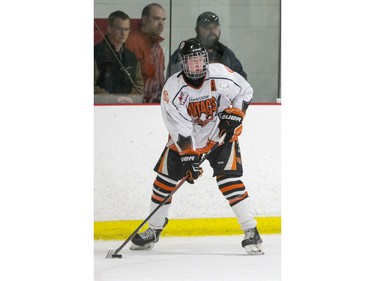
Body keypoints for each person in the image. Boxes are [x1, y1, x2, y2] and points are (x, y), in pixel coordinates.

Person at [129, 38, 263, 255]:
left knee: (229, 181)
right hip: (186, 140)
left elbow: (245, 91)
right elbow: (179, 128)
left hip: (220, 135)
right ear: (183, 63)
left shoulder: (220, 74)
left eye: (200, 59)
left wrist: (237, 114)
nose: (196, 64)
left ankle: (251, 230)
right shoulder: (173, 89)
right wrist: (189, 157)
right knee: (163, 183)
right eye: (191, 60)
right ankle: (154, 229)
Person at [168, 11, 247, 80]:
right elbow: (174, 80)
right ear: (197, 30)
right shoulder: (185, 51)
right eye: (207, 27)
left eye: (215, 27)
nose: (212, 30)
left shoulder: (226, 53)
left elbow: (241, 79)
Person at [94, 10, 144, 104]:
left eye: (126, 29)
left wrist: (131, 99)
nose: (123, 33)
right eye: (119, 29)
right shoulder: (96, 53)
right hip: (101, 110)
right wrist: (113, 100)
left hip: (129, 109)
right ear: (109, 29)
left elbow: (139, 86)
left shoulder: (132, 57)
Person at [125, 3, 166, 103]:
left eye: (163, 19)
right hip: (138, 104)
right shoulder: (133, 41)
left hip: (156, 104)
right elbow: (129, 81)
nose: (161, 23)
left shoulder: (158, 47)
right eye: (156, 18)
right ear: (144, 19)